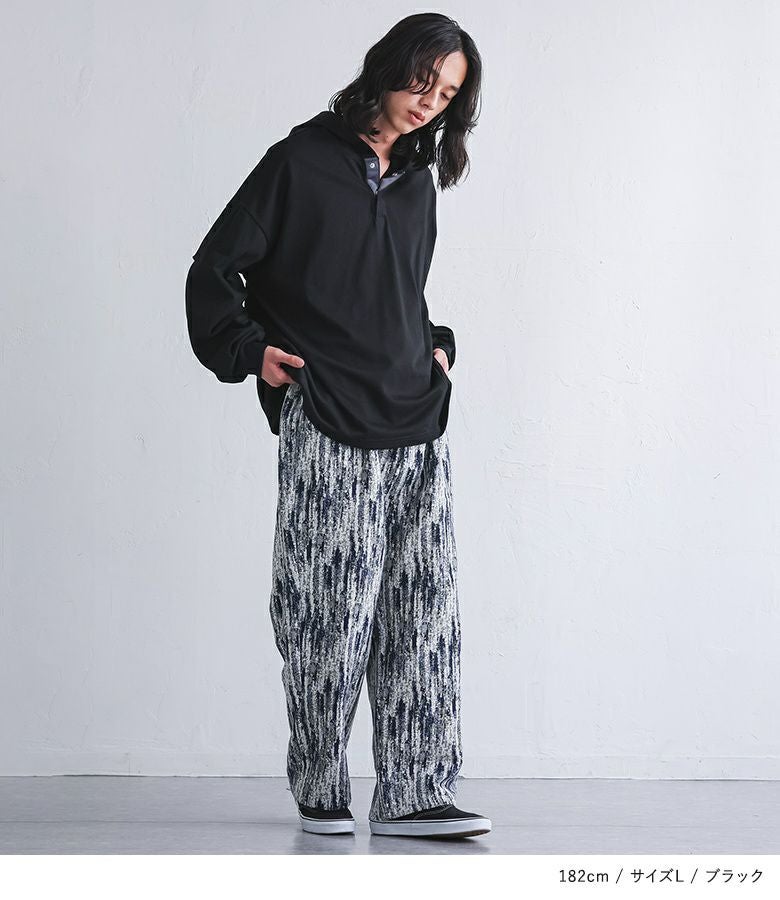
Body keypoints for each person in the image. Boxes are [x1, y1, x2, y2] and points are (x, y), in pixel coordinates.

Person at [185, 13, 489, 839]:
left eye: (448, 94)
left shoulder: (418, 181)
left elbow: (395, 290)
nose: (429, 102)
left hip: (416, 416)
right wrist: (251, 353)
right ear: (389, 67)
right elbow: (215, 269)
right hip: (328, 416)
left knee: (424, 612)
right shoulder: (299, 162)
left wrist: (435, 345)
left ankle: (415, 793)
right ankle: (321, 786)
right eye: (423, 80)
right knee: (328, 609)